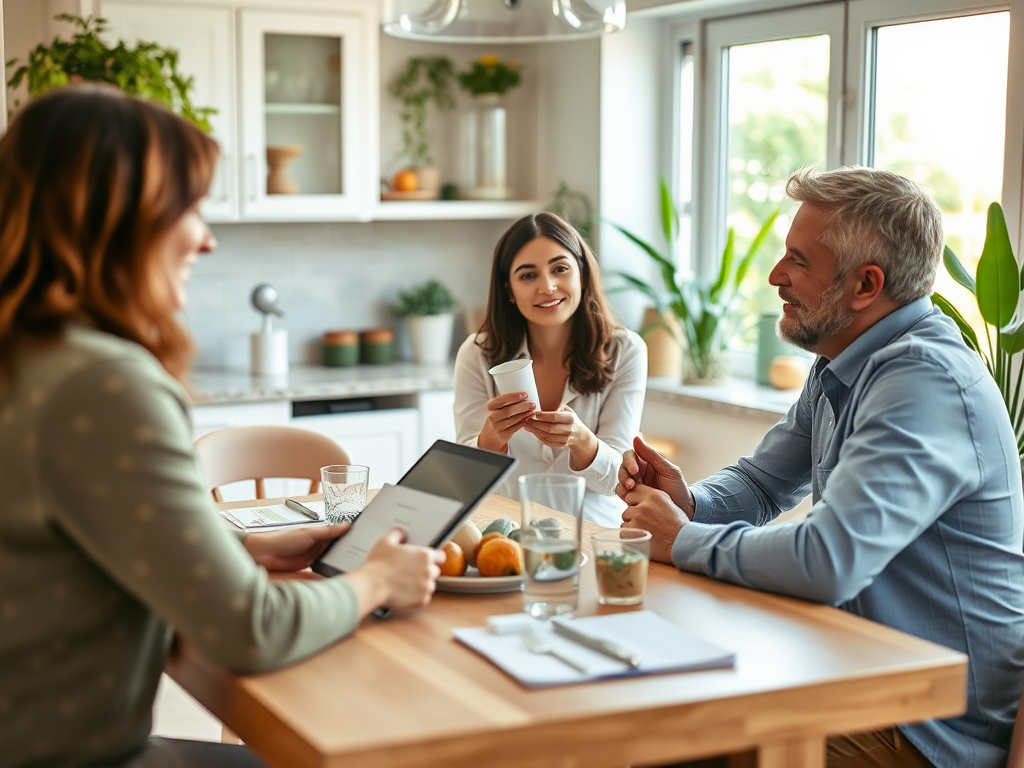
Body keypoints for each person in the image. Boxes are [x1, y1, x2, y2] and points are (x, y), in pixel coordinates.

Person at [0, 86, 444, 768]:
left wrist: (241, 551)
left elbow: (79, 553)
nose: (206, 238)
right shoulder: (104, 383)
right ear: (119, 218)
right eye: (190, 208)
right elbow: (250, 631)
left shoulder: (29, 358)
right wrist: (377, 581)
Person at [617, 167, 1024, 768]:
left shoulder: (922, 380)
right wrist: (691, 503)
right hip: (858, 674)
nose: (776, 276)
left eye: (798, 261)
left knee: (658, 740)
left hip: (925, 728)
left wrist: (681, 539)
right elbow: (761, 483)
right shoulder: (845, 357)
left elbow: (829, 561)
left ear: (866, 285)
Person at [454, 212, 646, 528]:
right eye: (528, 276)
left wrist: (583, 442)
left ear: (582, 275)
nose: (548, 286)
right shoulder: (477, 354)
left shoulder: (625, 351)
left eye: (560, 269)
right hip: (507, 533)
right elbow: (466, 480)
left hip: (592, 531)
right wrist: (490, 439)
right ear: (509, 291)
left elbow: (619, 482)